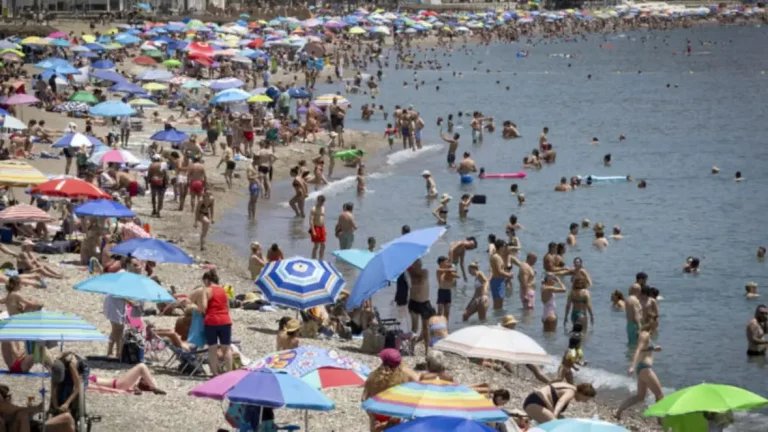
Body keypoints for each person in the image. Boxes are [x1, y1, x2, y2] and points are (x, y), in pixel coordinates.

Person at [615, 317, 664, 419]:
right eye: (658, 322)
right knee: (660, 395)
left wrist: (653, 348)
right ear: (653, 322)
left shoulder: (645, 334)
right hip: (645, 368)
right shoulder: (644, 335)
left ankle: (618, 412)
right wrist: (632, 366)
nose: (658, 325)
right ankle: (661, 422)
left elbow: (643, 349)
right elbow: (638, 350)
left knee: (640, 397)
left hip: (643, 369)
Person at [361, 349, 413, 432]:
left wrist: (372, 416)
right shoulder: (402, 379)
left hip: (376, 415)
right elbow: (404, 405)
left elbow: (364, 399)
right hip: (394, 417)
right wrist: (387, 423)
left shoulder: (373, 376)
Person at [197, 270, 232, 376]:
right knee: (226, 349)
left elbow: (204, 307)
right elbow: (228, 307)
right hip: (225, 320)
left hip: (211, 321)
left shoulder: (206, 290)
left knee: (212, 349)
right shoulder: (223, 290)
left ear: (207, 280)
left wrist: (198, 309)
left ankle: (215, 374)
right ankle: (229, 373)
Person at [0, 384, 75, 432]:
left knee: (67, 419)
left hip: (35, 426)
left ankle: (42, 425)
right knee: (22, 414)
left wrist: (32, 410)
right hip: (31, 426)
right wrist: (35, 409)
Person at [523, 382, 596, 424]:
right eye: (586, 399)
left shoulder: (568, 385)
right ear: (583, 393)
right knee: (555, 425)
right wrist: (554, 415)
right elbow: (561, 402)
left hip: (535, 401)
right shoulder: (571, 391)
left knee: (563, 422)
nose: (585, 402)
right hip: (536, 403)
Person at [407, 259, 433, 342]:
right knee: (414, 326)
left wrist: (408, 267)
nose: (418, 265)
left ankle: (426, 349)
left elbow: (418, 274)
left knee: (426, 327)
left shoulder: (424, 272)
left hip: (424, 302)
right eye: (416, 264)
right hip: (413, 301)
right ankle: (412, 348)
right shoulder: (411, 273)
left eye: (419, 264)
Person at [490, 239, 513, 310]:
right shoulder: (496, 257)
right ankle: (497, 320)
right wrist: (509, 275)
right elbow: (499, 271)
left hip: (500, 281)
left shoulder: (498, 256)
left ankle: (499, 319)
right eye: (504, 246)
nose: (505, 248)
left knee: (500, 305)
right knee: (498, 305)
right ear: (500, 247)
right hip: (497, 281)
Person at [435, 256, 459, 321]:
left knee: (447, 312)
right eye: (445, 262)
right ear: (441, 263)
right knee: (440, 311)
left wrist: (451, 269)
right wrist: (451, 266)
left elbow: (457, 276)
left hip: (448, 292)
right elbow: (452, 269)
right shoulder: (439, 270)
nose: (447, 263)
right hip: (441, 292)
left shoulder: (448, 271)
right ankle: (437, 326)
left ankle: (446, 326)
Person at [309, 195, 327, 259]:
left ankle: (321, 258)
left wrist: (324, 229)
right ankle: (314, 258)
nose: (322, 203)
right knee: (316, 245)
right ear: (318, 201)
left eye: (323, 202)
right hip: (316, 227)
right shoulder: (313, 209)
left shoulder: (323, 208)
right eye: (320, 201)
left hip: (322, 227)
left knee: (323, 245)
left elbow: (322, 218)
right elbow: (311, 220)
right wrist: (313, 231)